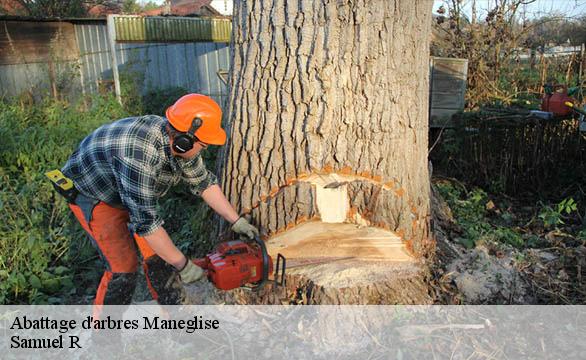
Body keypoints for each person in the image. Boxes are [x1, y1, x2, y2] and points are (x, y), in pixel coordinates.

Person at [57, 93, 259, 305]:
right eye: (204, 144)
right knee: (123, 270)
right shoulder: (139, 155)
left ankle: (177, 321)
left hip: (131, 188)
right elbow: (147, 225)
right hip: (95, 193)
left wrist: (236, 221)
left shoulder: (182, 144)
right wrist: (184, 265)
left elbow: (203, 183)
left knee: (160, 259)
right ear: (184, 140)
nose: (204, 148)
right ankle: (105, 337)